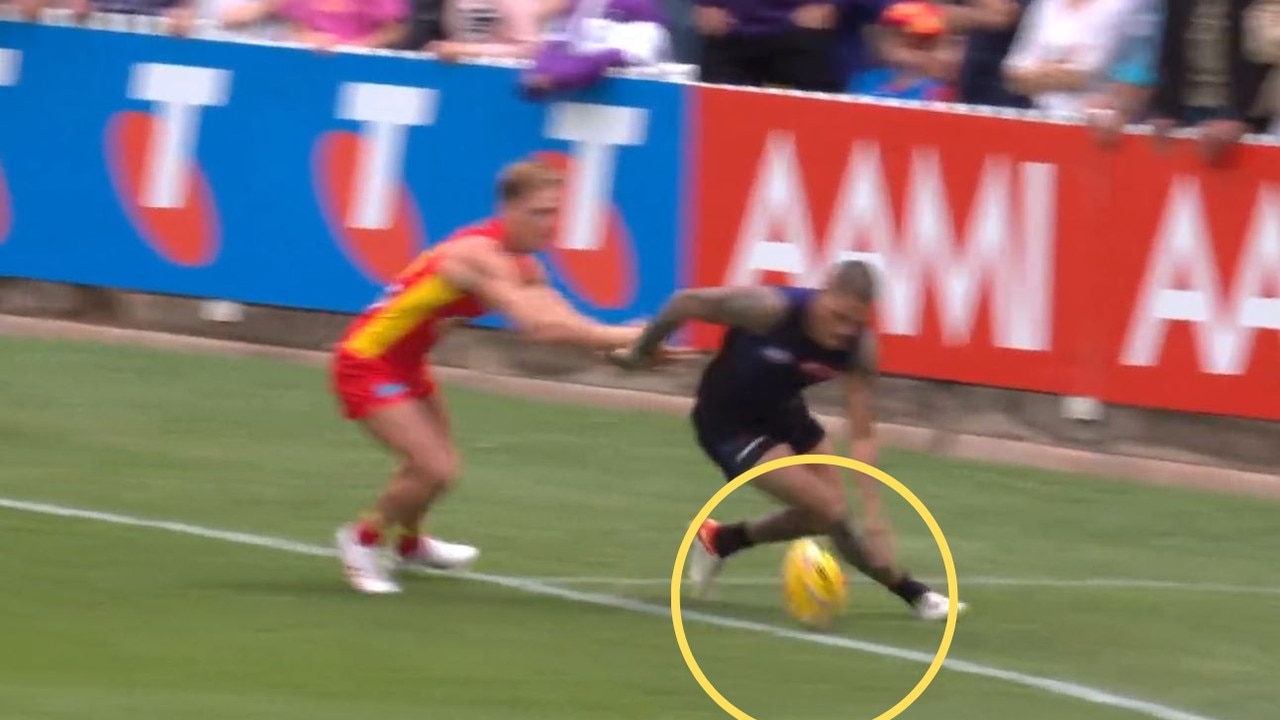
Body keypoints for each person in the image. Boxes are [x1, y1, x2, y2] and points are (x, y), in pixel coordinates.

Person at [330, 158, 658, 595]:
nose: (550, 225)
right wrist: (628, 336)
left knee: (438, 471)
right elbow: (538, 328)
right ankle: (361, 540)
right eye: (539, 213)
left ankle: (410, 544)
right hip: (366, 361)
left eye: (555, 213)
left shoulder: (526, 265)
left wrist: (624, 348)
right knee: (433, 466)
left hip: (406, 364)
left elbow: (563, 319)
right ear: (509, 208)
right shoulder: (477, 256)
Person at [609, 260, 965, 621]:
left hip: (787, 415)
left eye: (856, 321)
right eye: (838, 316)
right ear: (824, 293)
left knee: (826, 515)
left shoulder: (860, 347)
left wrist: (875, 513)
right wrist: (642, 352)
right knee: (832, 512)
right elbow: (686, 302)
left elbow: (862, 432)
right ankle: (912, 592)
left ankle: (721, 540)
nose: (844, 330)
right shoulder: (770, 309)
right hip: (729, 423)